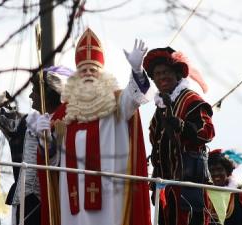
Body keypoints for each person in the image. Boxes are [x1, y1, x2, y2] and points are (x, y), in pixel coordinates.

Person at [37, 28, 152, 225]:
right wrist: (45, 139)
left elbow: (135, 97)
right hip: (72, 197)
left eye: (93, 70)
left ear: (102, 74)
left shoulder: (116, 102)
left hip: (110, 193)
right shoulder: (64, 113)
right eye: (83, 70)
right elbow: (51, 160)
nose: (88, 74)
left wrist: (137, 72)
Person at [0, 66, 72, 224]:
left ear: (49, 93)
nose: (31, 95)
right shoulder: (25, 123)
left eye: (35, 90)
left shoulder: (70, 124)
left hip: (53, 205)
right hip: (22, 205)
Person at [144, 47, 215, 225]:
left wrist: (183, 126)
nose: (161, 77)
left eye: (166, 72)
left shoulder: (191, 100)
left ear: (177, 75)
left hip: (188, 184)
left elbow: (208, 132)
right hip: (164, 186)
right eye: (157, 74)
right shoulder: (159, 109)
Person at [208, 149, 242, 225]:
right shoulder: (205, 194)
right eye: (212, 170)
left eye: (219, 169)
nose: (216, 173)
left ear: (227, 171)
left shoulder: (240, 195)